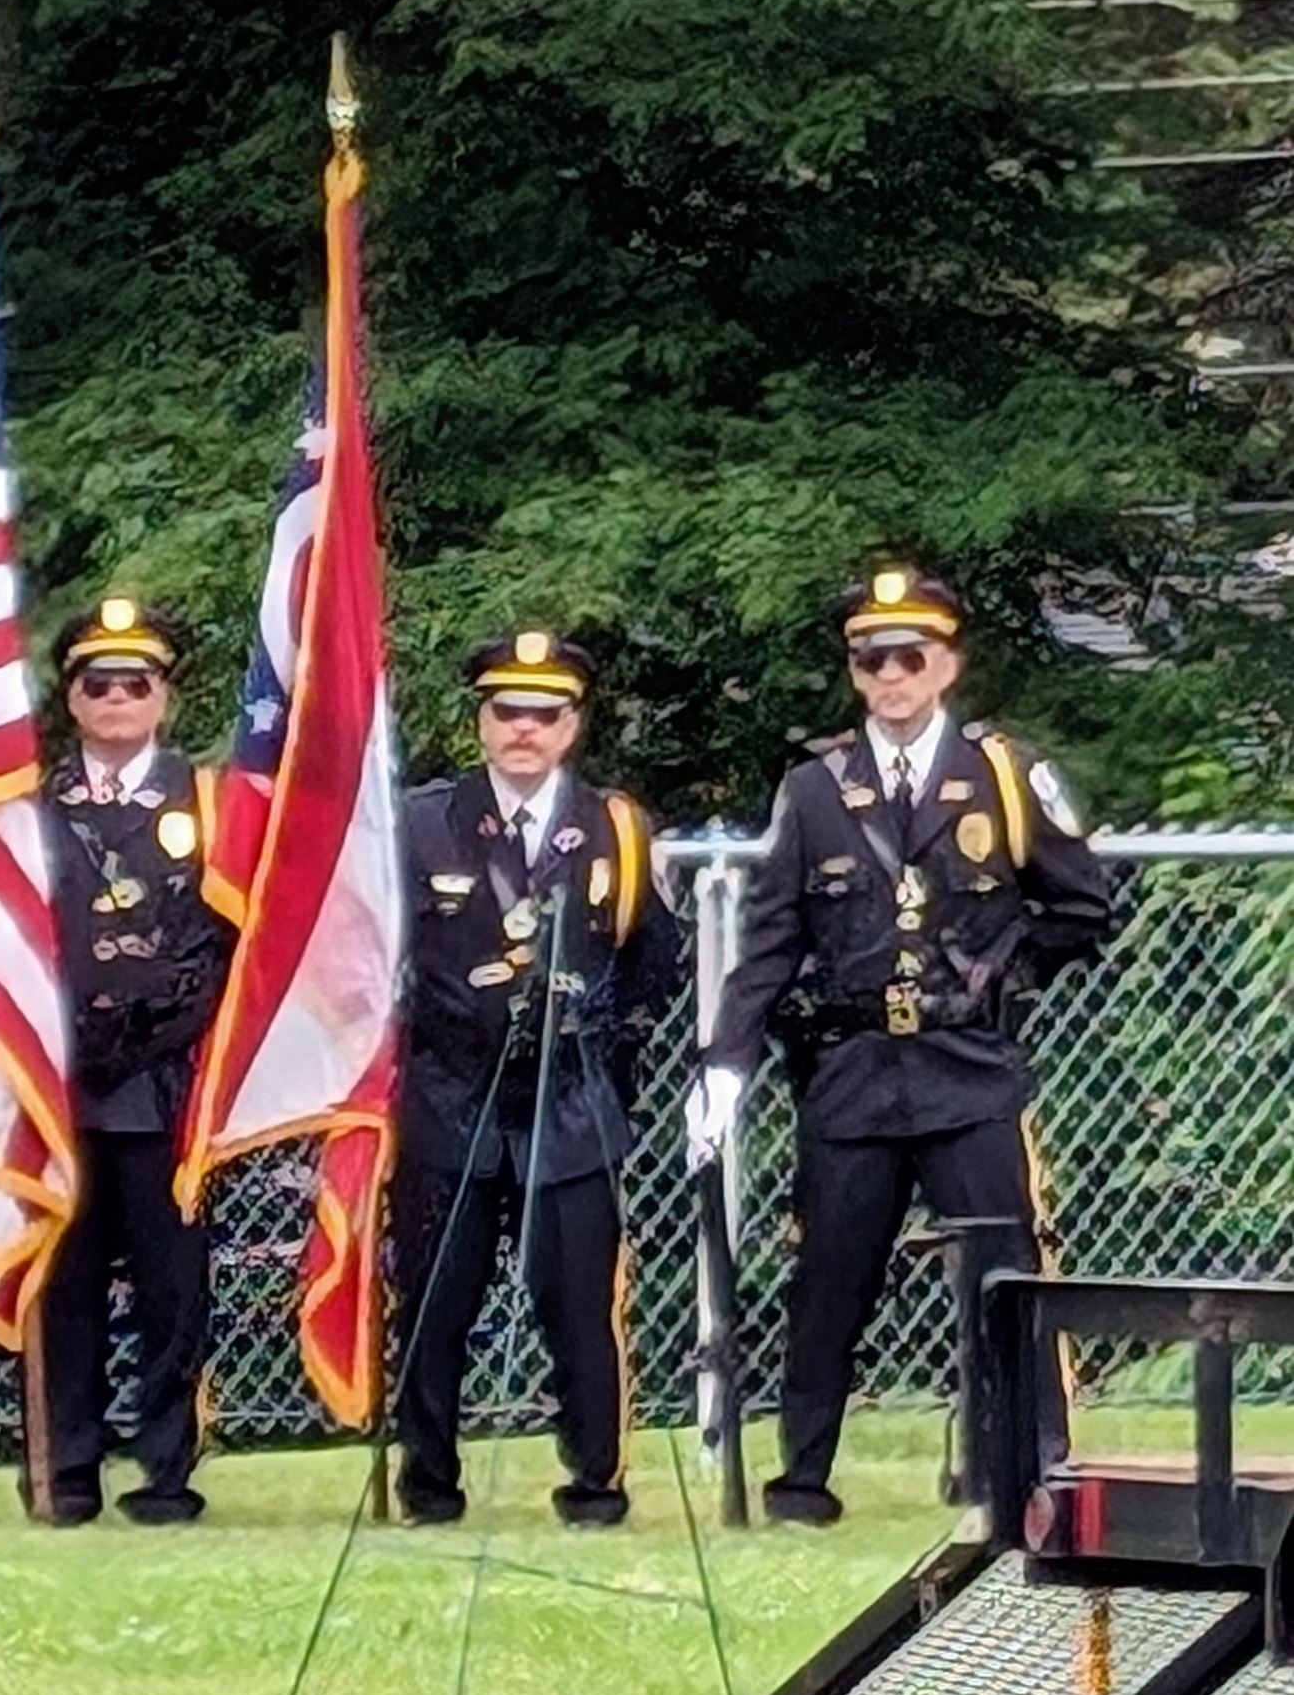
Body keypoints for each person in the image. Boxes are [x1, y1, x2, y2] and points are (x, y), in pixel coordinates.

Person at [685, 565, 1114, 1524]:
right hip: (852, 1074)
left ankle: (1028, 1466)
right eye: (869, 659)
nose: (889, 675)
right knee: (828, 1282)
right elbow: (767, 945)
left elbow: (1084, 906)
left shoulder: (1001, 775)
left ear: (946, 663)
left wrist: (1007, 969)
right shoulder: (813, 789)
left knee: (1005, 1277)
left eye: (907, 657)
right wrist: (724, 1062)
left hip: (967, 1072)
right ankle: (803, 1477)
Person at [391, 630, 680, 1527]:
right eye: (505, 711)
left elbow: (656, 963)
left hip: (568, 1105)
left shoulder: (614, 828)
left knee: (579, 1308)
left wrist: (607, 1051)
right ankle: (429, 1486)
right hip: (449, 1097)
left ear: (571, 724)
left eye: (543, 714)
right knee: (435, 1309)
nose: (523, 729)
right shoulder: (421, 821)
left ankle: (595, 1483)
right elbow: (371, 959)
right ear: (480, 720)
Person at [30, 596, 233, 1525]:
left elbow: (240, 946)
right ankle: (66, 1472)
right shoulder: (29, 811)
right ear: (71, 698)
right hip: (61, 1091)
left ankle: (164, 1474)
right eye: (96, 682)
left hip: (170, 1087)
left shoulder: (214, 804)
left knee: (171, 1293)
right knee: (63, 1288)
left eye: (134, 682)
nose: (116, 698)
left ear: (165, 696)